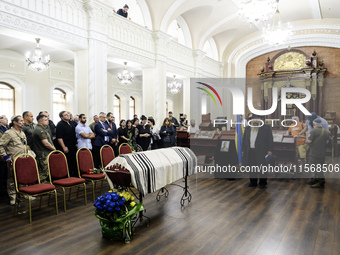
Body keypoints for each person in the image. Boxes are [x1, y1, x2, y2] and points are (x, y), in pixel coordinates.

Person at [0, 115, 28, 205]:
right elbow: (1, 146)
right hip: (13, 159)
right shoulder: (8, 133)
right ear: (15, 122)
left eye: (23, 121)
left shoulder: (22, 133)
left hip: (23, 159)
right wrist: (5, 156)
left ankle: (24, 194)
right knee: (12, 178)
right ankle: (13, 197)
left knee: (23, 177)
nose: (22, 122)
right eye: (20, 121)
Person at [242, 114, 273, 189]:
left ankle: (262, 183)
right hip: (250, 151)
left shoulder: (266, 127)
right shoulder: (247, 128)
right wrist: (243, 150)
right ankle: (253, 182)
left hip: (262, 151)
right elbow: (244, 140)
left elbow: (270, 140)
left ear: (260, 119)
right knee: (252, 167)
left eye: (256, 119)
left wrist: (270, 150)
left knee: (262, 167)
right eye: (253, 119)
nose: (255, 121)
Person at [305, 118, 330, 188]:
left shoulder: (313, 131)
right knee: (320, 167)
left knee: (315, 167)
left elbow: (309, 141)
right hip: (322, 152)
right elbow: (327, 142)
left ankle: (320, 182)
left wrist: (306, 140)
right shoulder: (326, 131)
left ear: (314, 124)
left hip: (314, 152)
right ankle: (316, 179)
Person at [33, 114, 56, 183]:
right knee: (45, 171)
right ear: (40, 121)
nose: (47, 121)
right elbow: (46, 143)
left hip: (45, 153)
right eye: (45, 120)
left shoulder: (43, 128)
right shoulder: (39, 130)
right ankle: (40, 185)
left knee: (45, 170)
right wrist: (54, 149)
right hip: (43, 154)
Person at [56, 111, 77, 176]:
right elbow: (59, 137)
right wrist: (63, 147)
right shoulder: (60, 124)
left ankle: (76, 176)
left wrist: (75, 143)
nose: (68, 115)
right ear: (62, 117)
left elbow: (73, 134)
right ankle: (70, 177)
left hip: (73, 145)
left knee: (74, 161)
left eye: (68, 114)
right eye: (65, 115)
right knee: (68, 162)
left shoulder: (70, 122)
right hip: (66, 146)